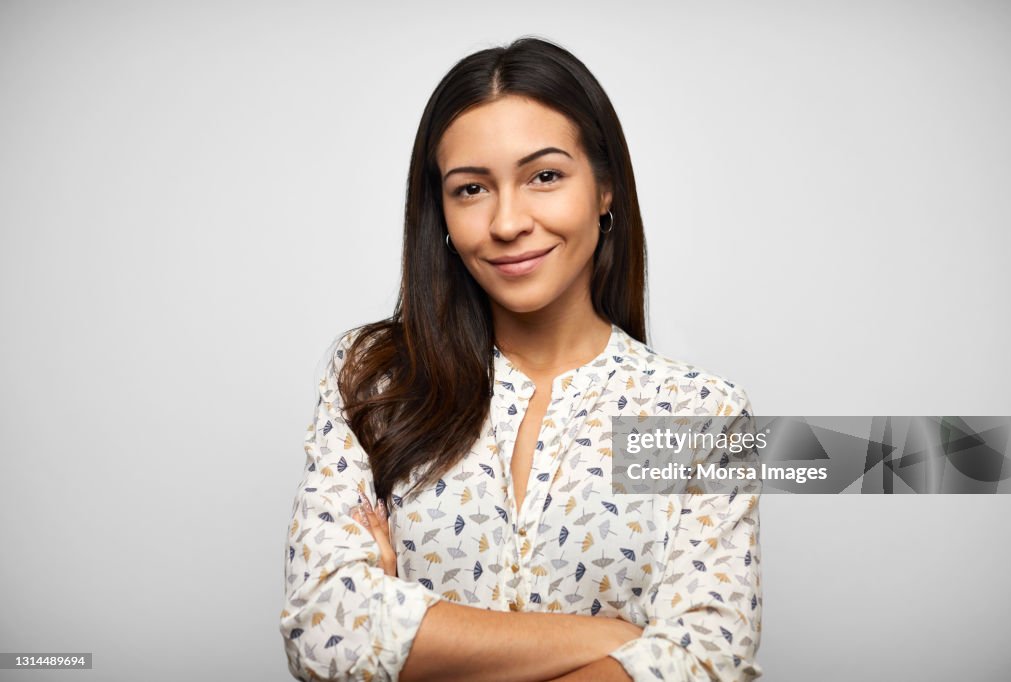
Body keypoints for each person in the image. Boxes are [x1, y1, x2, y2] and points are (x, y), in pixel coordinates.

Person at [279, 36, 763, 682]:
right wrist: (616, 639)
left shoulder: (701, 416)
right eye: (472, 188)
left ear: (606, 188)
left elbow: (707, 659)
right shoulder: (375, 377)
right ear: (441, 214)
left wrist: (416, 636)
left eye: (544, 176)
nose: (507, 222)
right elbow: (326, 630)